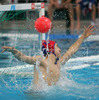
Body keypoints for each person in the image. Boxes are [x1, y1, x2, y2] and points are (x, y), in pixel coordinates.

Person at [1, 25, 95, 86]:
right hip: (37, 95)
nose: (60, 49)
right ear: (50, 50)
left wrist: (82, 37)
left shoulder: (59, 62)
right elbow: (25, 58)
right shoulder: (41, 60)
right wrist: (14, 51)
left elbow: (71, 51)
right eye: (57, 47)